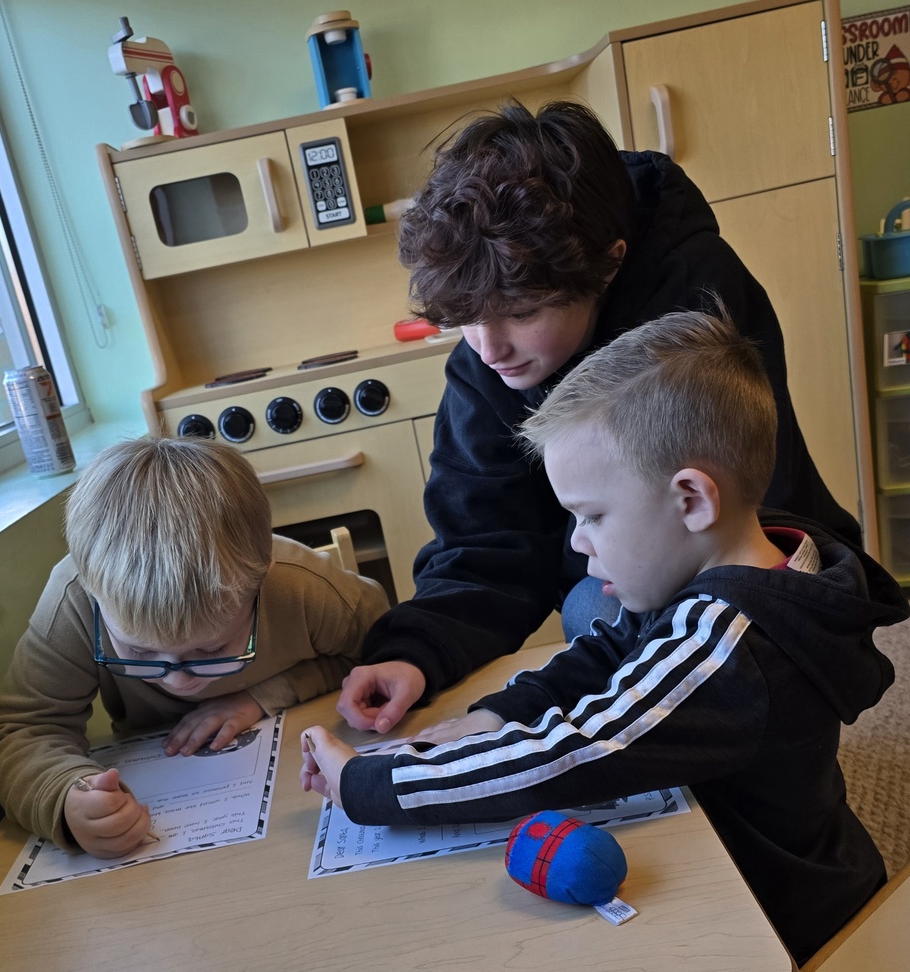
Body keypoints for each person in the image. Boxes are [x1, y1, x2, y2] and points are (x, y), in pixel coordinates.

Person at [302, 310, 908, 965]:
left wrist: (371, 784)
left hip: (783, 921)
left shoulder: (727, 647)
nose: (576, 542)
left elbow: (568, 753)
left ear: (692, 501)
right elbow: (610, 650)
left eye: (591, 516)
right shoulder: (740, 558)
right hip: (760, 853)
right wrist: (497, 712)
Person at [336, 99, 862, 736]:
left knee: (596, 608)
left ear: (608, 263)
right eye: (465, 317)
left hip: (745, 573)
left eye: (521, 313)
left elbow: (740, 530)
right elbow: (484, 542)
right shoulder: (487, 355)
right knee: (594, 610)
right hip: (635, 570)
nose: (488, 346)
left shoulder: (696, 298)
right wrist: (414, 651)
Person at [0, 435, 389, 859]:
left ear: (260, 580)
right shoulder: (76, 602)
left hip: (297, 803)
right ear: (92, 590)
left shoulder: (301, 587)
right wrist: (68, 796)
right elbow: (19, 731)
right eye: (139, 653)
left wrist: (262, 695)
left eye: (211, 651)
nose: (177, 679)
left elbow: (386, 655)